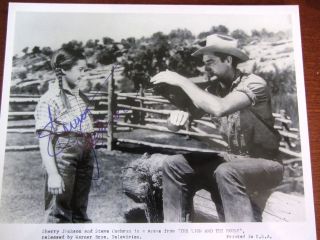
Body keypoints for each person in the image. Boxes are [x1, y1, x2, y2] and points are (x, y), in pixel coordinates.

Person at [150, 34, 283, 222]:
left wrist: (180, 80)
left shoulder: (254, 83)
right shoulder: (212, 90)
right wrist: (174, 121)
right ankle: (175, 231)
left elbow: (219, 108)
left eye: (210, 61)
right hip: (234, 159)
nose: (205, 67)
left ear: (228, 60)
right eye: (204, 62)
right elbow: (179, 121)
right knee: (173, 165)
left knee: (226, 171)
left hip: (268, 164)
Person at [34, 49, 95, 223]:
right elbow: (44, 138)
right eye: (81, 70)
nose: (84, 74)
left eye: (86, 70)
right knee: (58, 212)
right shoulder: (50, 99)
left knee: (79, 211)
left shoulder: (79, 96)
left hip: (86, 152)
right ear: (65, 70)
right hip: (63, 155)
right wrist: (53, 174)